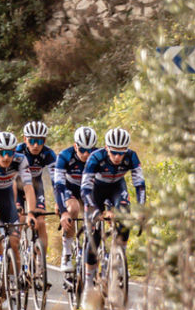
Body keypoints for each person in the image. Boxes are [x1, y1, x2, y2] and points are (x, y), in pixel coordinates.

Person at [80, 127, 146, 294]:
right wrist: (95, 211)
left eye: (122, 152)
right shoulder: (96, 157)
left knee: (125, 217)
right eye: (114, 152)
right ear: (107, 148)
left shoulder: (132, 156)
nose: (118, 157)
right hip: (96, 191)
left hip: (117, 187)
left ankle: (120, 259)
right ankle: (88, 284)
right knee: (94, 236)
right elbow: (85, 189)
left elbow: (140, 185)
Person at [0, 131, 36, 267]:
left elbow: (28, 188)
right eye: (2, 153)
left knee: (14, 242)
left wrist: (31, 213)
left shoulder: (20, 160)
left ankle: (13, 281)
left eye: (10, 153)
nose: (6, 157)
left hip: (6, 195)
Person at [53, 126, 97, 269]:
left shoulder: (99, 155)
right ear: (75, 146)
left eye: (90, 150)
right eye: (82, 150)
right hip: (69, 188)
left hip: (89, 189)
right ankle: (66, 252)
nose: (86, 154)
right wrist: (62, 209)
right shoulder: (64, 156)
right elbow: (58, 185)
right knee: (73, 208)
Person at [15, 120, 56, 249]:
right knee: (19, 219)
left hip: (36, 186)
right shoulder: (17, 151)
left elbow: (56, 180)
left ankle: (40, 259)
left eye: (40, 141)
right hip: (18, 186)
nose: (36, 145)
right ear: (25, 139)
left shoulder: (48, 154)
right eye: (32, 141)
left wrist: (58, 201)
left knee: (40, 221)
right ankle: (16, 251)